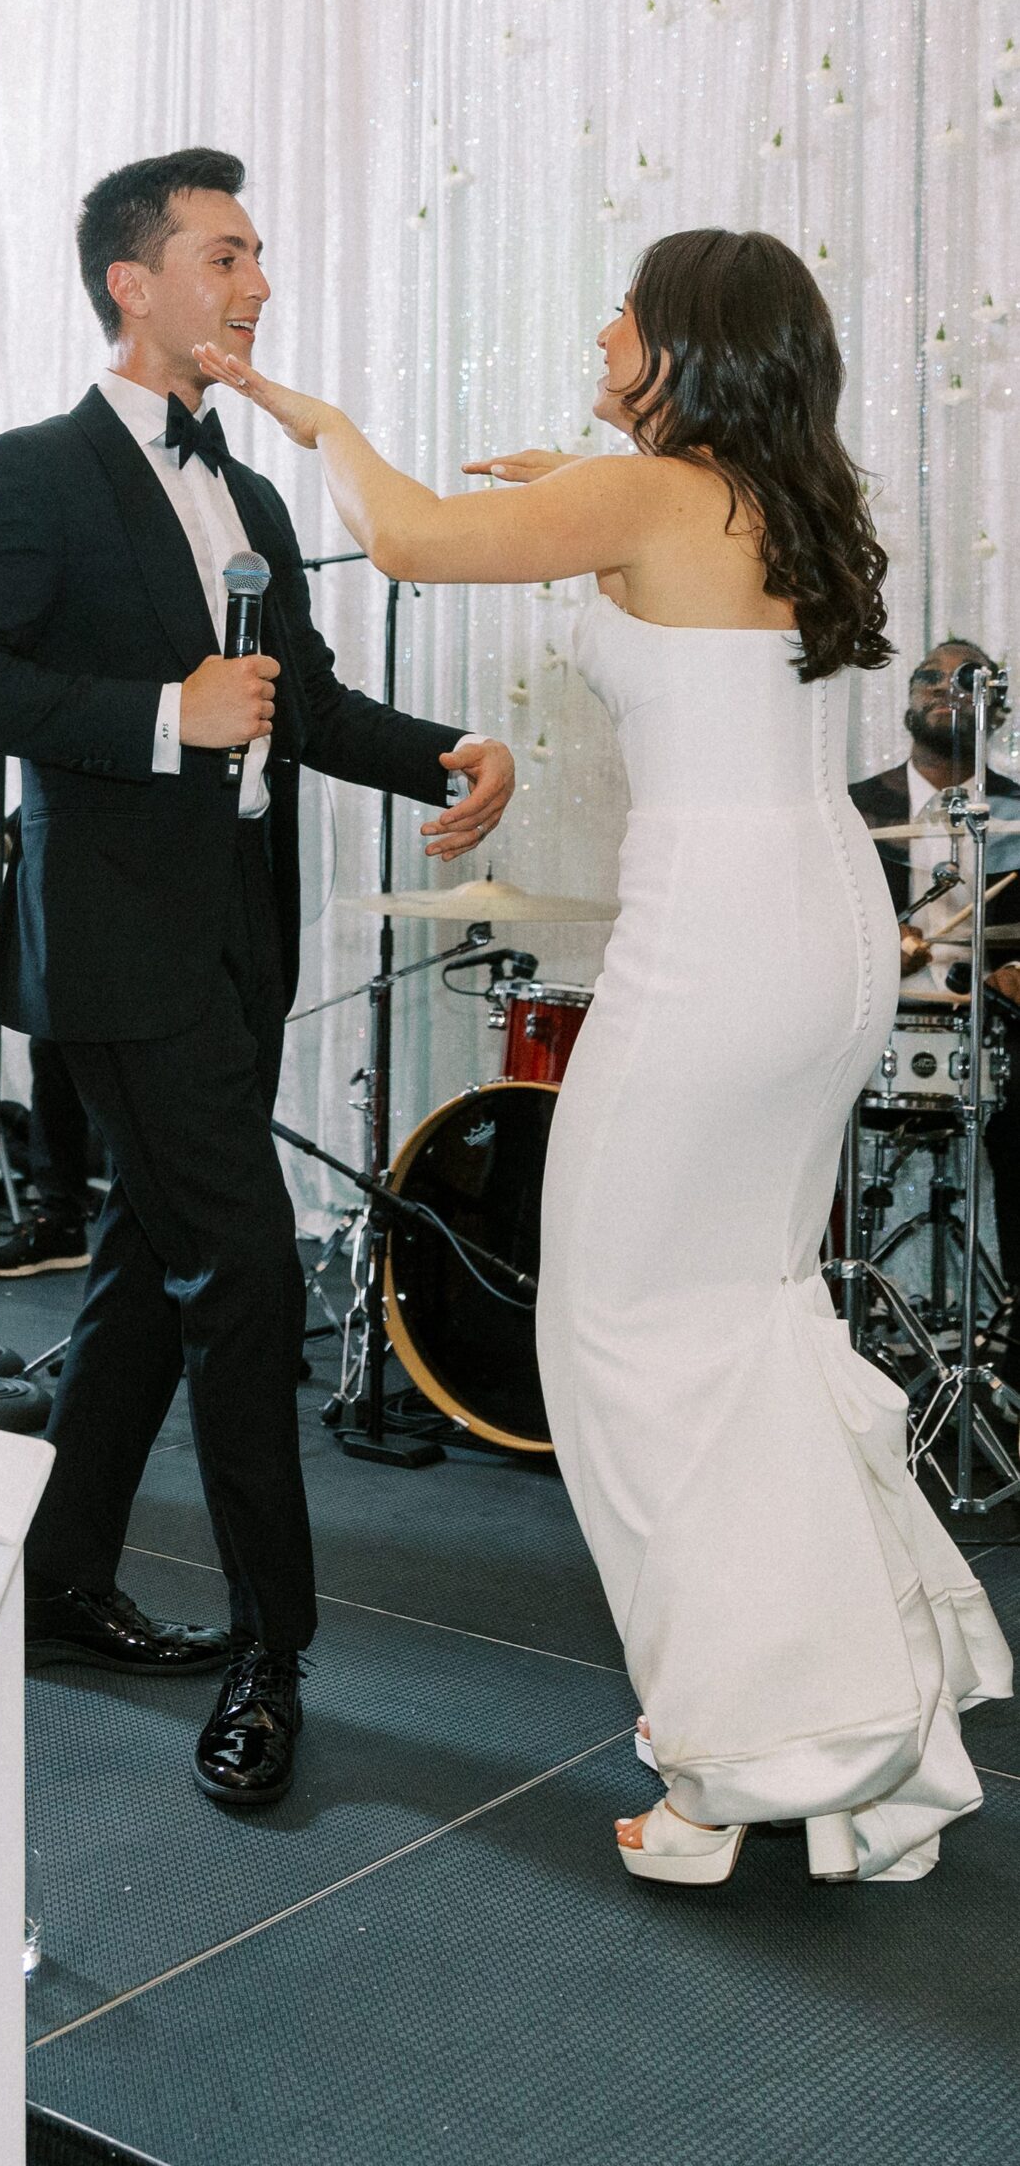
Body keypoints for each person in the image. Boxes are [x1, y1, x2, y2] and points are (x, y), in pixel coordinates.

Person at [196, 224, 1012, 1881]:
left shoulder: (650, 497)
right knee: (750, 1322)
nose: (599, 322)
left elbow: (409, 533)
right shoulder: (771, 495)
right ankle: (859, 1757)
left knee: (619, 1336)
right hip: (820, 933)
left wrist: (319, 421)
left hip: (718, 939)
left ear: (684, 341)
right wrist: (583, 472)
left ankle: (728, 1772)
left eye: (624, 308)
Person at [0, 148, 515, 1807]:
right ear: (134, 280)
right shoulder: (31, 470)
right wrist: (151, 713)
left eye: (257, 255)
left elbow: (298, 704)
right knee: (243, 1279)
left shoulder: (247, 498)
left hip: (240, 950)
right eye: (225, 253)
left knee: (139, 1273)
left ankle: (53, 1583)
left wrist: (442, 752)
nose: (255, 282)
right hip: (114, 957)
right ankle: (272, 1651)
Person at [851, 638, 1020, 1361]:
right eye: (931, 679)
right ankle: (831, 1323)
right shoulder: (855, 809)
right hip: (867, 1024)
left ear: (996, 709)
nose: (947, 689)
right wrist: (867, 948)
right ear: (909, 701)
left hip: (995, 1028)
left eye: (969, 681)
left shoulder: (1016, 812)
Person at [0, 819, 100, 1275]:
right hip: (79, 898)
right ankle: (60, 1220)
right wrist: (0, 839)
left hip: (144, 889)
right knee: (53, 1050)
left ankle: (137, 1234)